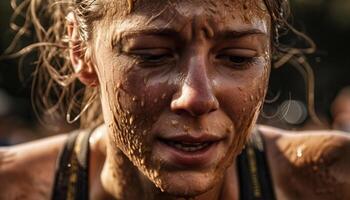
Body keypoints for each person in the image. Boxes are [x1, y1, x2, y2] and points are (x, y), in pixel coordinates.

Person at [0, 0, 350, 199]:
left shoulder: (330, 182)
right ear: (80, 50)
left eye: (238, 57)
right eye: (152, 55)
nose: (196, 97)